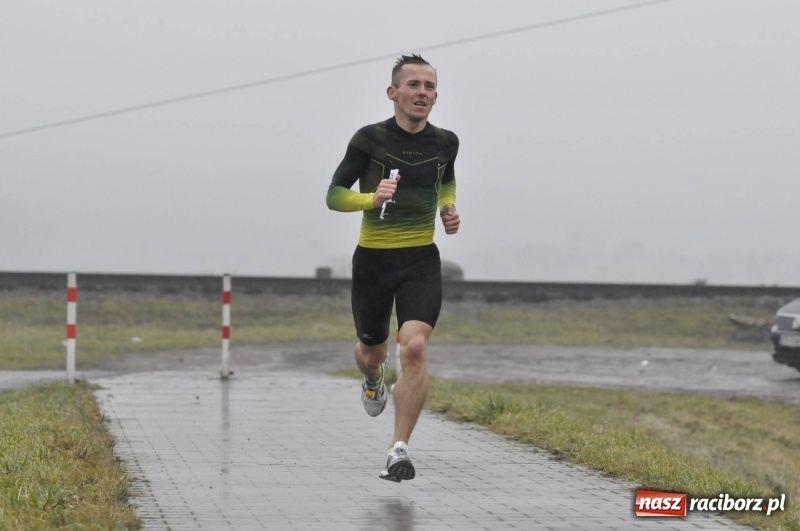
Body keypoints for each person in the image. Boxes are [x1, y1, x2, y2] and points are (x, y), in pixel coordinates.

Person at [325, 53, 460, 482]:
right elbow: (334, 194)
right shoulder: (370, 139)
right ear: (393, 92)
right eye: (414, 85)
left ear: (436, 96)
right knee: (372, 353)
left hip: (420, 258)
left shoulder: (446, 142)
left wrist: (447, 207)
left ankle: (398, 449)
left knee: (414, 347)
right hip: (373, 261)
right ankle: (372, 380)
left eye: (430, 86)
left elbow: (446, 178)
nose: (423, 93)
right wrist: (371, 199)